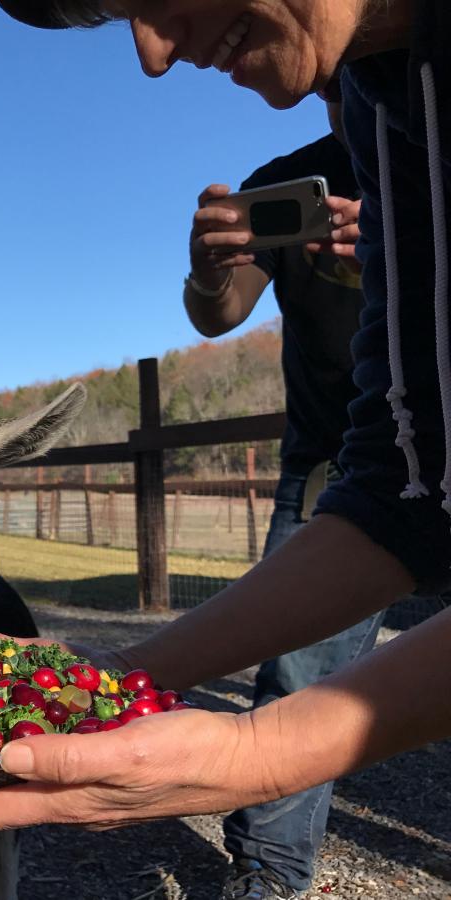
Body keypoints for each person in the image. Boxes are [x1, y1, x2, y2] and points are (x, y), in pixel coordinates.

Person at [0, 0, 451, 838]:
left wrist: (254, 752)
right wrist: (118, 674)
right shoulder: (380, 112)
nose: (152, 56)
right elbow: (401, 487)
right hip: (330, 462)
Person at [186, 107, 379, 899]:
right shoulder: (283, 183)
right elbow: (222, 313)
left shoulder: (428, 154)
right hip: (332, 462)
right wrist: (205, 272)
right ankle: (269, 867)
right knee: (300, 672)